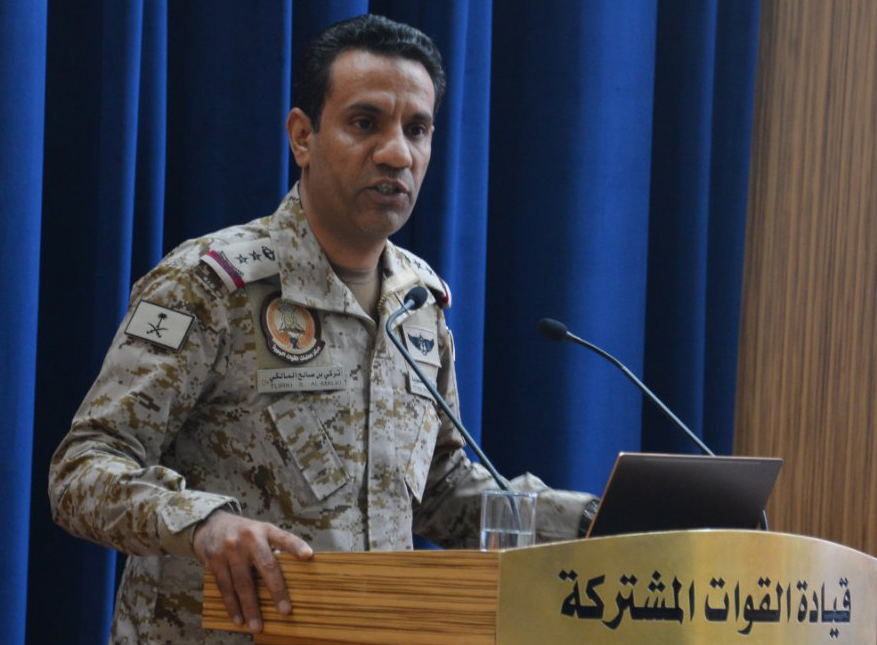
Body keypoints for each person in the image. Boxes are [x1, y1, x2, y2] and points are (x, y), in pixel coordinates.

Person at [49, 14, 595, 645]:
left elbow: (440, 491)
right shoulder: (208, 284)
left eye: (417, 130)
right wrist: (204, 524)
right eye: (365, 123)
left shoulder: (418, 299)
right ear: (302, 137)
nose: (397, 153)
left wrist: (592, 521)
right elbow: (81, 470)